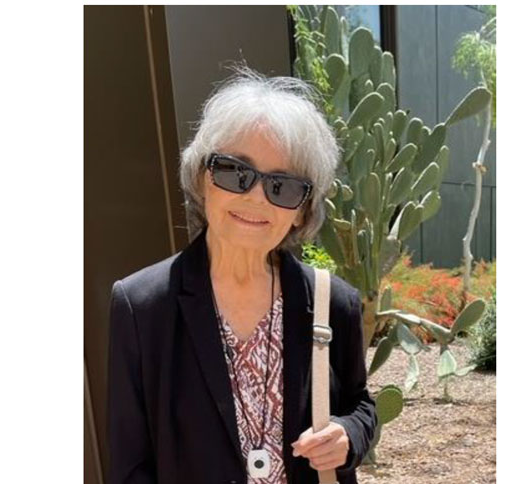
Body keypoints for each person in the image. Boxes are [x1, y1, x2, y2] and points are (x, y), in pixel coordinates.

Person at [107, 66, 376, 484]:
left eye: (283, 186)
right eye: (235, 172)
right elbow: (130, 460)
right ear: (202, 176)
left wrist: (349, 435)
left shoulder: (331, 301)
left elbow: (360, 404)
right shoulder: (142, 305)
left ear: (303, 208)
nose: (254, 198)